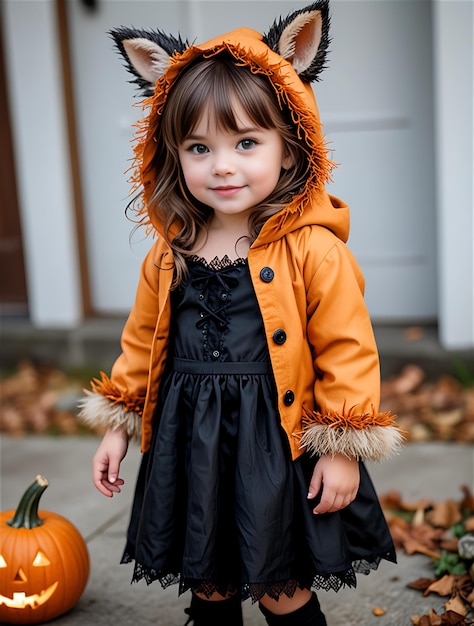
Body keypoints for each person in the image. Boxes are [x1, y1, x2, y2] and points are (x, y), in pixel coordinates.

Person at [79, 2, 404, 624]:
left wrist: (341, 445)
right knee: (211, 583)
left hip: (273, 439)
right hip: (190, 435)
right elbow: (143, 339)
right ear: (172, 155)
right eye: (199, 147)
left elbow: (347, 348)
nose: (222, 164)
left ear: (289, 149)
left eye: (246, 142)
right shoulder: (171, 247)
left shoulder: (312, 248)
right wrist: (116, 426)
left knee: (281, 584)